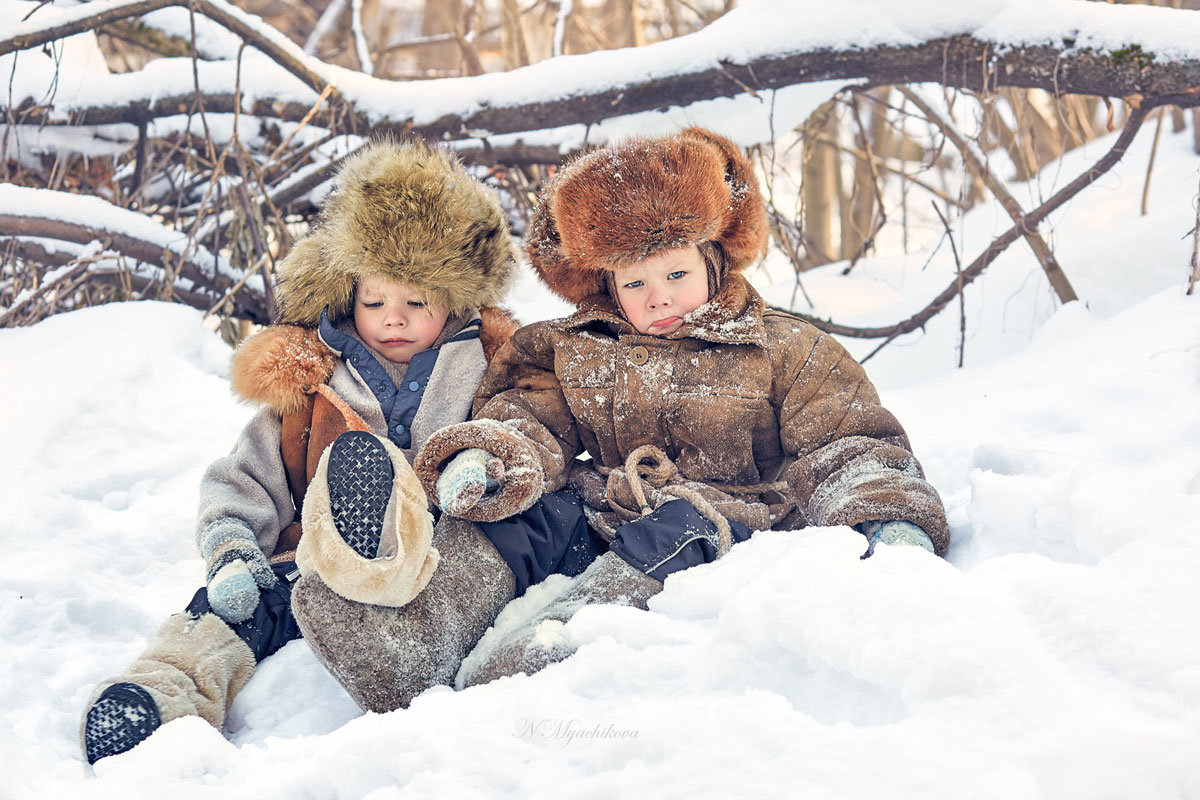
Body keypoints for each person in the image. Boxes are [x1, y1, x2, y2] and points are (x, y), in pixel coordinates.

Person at [408, 126, 952, 686]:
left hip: (726, 526)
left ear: (713, 262)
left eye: (675, 274)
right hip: (609, 515)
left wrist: (887, 517)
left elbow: (847, 440)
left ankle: (551, 644)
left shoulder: (782, 347)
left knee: (678, 527)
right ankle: (416, 637)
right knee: (533, 519)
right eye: (634, 282)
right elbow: (530, 417)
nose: (658, 295)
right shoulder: (573, 349)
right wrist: (491, 459)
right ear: (607, 287)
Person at [80, 138, 518, 764]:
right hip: (313, 565)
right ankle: (159, 695)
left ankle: (384, 558)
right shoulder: (314, 382)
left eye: (414, 302)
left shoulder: (486, 367)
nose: (391, 319)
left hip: (437, 565)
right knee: (234, 610)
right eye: (374, 302)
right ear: (348, 295)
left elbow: (518, 438)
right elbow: (245, 476)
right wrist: (231, 548)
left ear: (453, 300)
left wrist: (481, 467)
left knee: (446, 581)